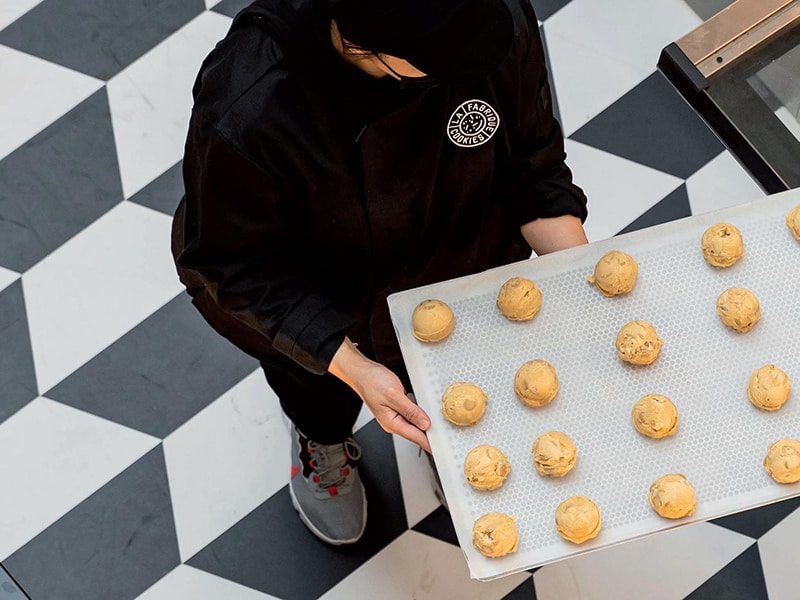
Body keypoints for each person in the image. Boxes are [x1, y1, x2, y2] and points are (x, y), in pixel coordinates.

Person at [171, 0, 588, 546]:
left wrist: (583, 278)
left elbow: (531, 162)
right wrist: (356, 368)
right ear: (365, 47)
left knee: (458, 372)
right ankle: (322, 440)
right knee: (318, 389)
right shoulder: (253, 102)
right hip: (320, 296)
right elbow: (233, 262)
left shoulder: (490, 18)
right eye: (441, 66)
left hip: (464, 254)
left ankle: (455, 438)